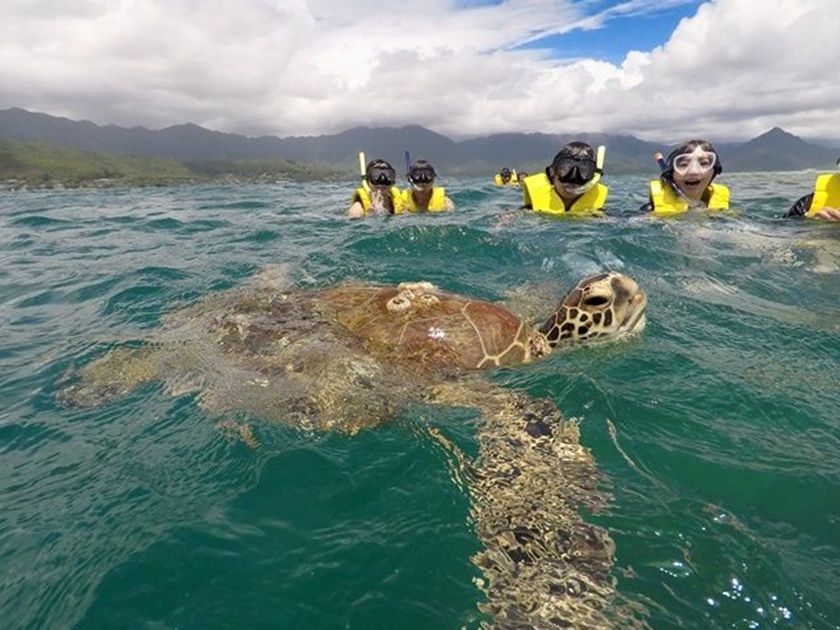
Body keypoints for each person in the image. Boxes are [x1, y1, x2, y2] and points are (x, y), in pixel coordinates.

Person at [639, 139, 729, 214]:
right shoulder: (650, 212)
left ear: (715, 171)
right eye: (683, 164)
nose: (693, 171)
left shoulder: (721, 210)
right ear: (672, 174)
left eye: (704, 163)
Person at [521, 142, 608, 215]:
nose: (574, 176)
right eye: (565, 168)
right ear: (552, 172)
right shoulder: (527, 213)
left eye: (584, 170)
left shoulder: (598, 215)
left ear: (593, 177)